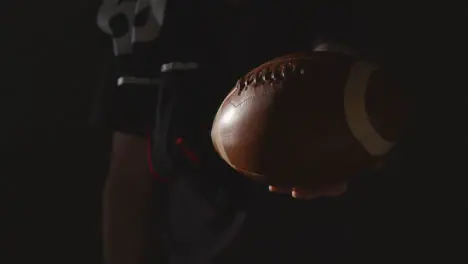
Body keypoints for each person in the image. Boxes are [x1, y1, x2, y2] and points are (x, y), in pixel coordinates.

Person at [93, 0, 447, 263]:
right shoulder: (146, 15)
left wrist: (340, 109)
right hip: (201, 246)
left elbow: (383, 110)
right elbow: (127, 180)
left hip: (331, 240)